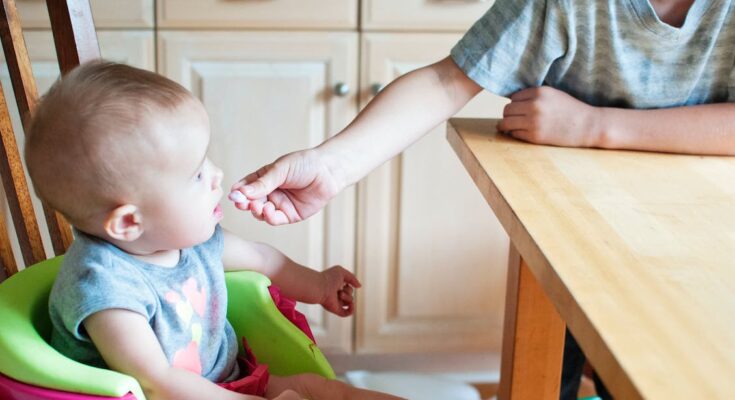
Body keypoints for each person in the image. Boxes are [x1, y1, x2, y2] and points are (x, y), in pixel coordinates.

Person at [229, 0, 735, 398]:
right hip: (571, 237)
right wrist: (332, 165)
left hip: (703, 247)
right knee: (552, 372)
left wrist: (594, 125)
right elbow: (449, 79)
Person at [25, 61, 403, 400]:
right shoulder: (106, 288)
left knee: (326, 391)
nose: (217, 175)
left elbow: (262, 259)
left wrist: (319, 284)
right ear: (128, 222)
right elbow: (157, 381)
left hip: (229, 382)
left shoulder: (191, 241)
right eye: (197, 175)